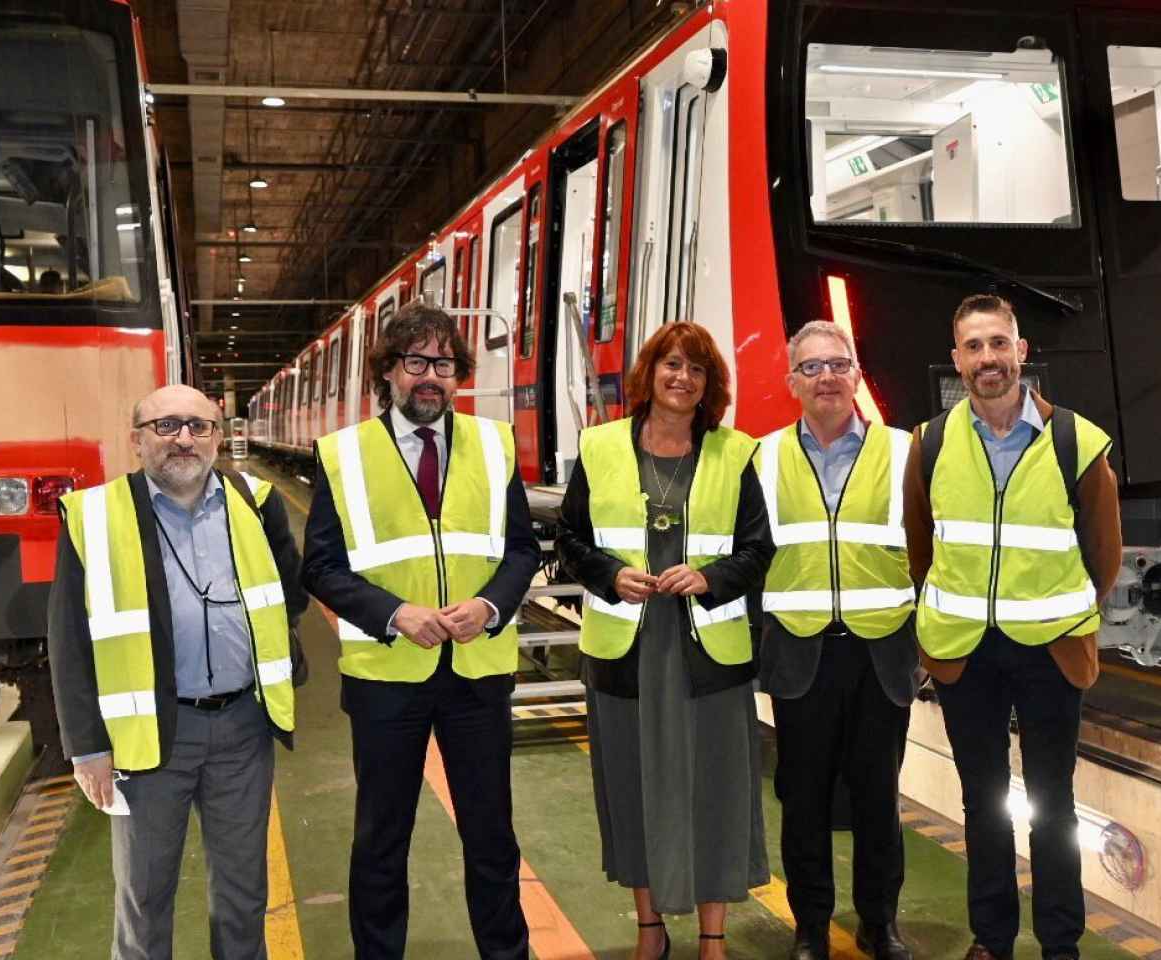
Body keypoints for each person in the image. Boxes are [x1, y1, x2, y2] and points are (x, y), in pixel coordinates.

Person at [302, 302, 540, 960]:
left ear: (458, 373)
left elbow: (521, 551)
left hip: (476, 672)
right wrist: (393, 614)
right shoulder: (344, 454)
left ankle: (506, 953)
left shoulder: (494, 447)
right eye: (416, 362)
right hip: (387, 677)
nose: (430, 376)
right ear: (388, 372)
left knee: (492, 834)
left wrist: (489, 606)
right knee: (381, 838)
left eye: (443, 363)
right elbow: (319, 566)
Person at [48, 384, 307, 960]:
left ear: (218, 436)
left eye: (198, 426)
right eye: (166, 426)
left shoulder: (256, 502)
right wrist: (87, 747)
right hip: (150, 738)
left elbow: (290, 596)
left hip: (243, 728)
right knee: (144, 898)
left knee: (244, 896)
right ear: (137, 440)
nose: (183, 439)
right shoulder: (95, 515)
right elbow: (68, 637)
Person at [904, 294, 1122, 960]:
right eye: (973, 347)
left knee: (1054, 802)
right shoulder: (932, 442)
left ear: (1022, 353)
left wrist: (1059, 612)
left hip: (1051, 651)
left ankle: (1060, 944)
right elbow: (921, 546)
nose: (987, 359)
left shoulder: (1075, 443)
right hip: (964, 653)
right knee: (983, 800)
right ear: (957, 361)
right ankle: (992, 940)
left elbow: (1103, 556)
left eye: (998, 343)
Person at [557, 321, 774, 960]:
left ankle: (712, 938)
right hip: (628, 653)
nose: (682, 378)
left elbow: (759, 549)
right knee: (632, 789)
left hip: (708, 654)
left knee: (717, 793)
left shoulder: (736, 453)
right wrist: (607, 574)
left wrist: (709, 577)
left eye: (698, 369)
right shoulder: (598, 448)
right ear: (649, 373)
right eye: (671, 364)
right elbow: (569, 539)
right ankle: (649, 929)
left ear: (710, 386)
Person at [757, 321, 918, 960]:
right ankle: (811, 927)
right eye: (812, 367)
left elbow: (933, 552)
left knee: (880, 795)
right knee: (804, 797)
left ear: (857, 376)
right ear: (791, 381)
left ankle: (880, 923)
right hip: (800, 653)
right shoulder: (762, 457)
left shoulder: (906, 452)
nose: (826, 376)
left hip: (882, 651)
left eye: (838, 364)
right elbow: (748, 555)